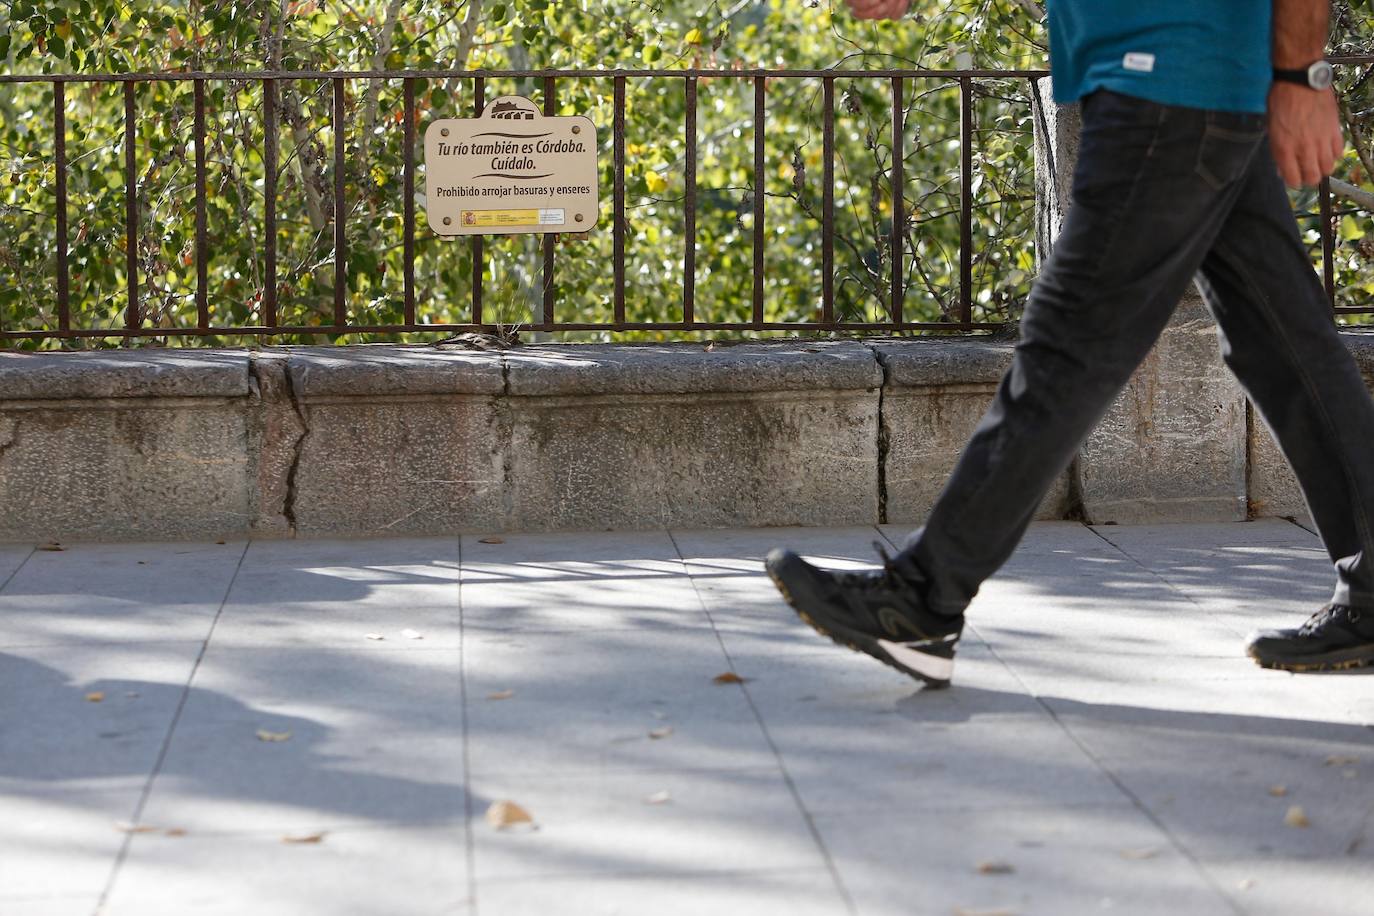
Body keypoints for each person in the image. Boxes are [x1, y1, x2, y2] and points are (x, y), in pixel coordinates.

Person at [766, 0, 1374, 687]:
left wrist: (1303, 76)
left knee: (1070, 349)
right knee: (1288, 347)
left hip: (1168, 80)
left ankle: (923, 597)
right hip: (1189, 85)